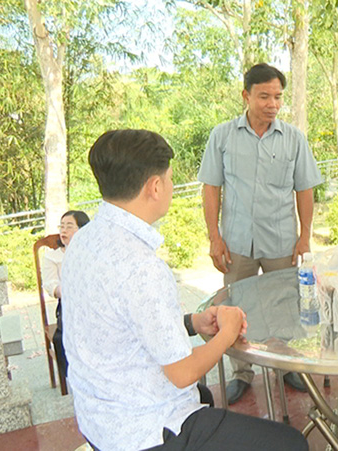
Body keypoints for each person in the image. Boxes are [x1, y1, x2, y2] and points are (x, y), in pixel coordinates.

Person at [61, 129, 308, 451]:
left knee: (206, 399)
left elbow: (118, 326)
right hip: (146, 429)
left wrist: (193, 322)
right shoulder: (142, 267)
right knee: (290, 444)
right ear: (155, 187)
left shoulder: (83, 241)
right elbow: (182, 374)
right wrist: (226, 332)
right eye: (170, 179)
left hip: (99, 419)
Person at [198, 63, 322, 403]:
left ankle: (286, 366)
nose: (272, 104)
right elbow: (211, 188)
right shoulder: (222, 136)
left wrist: (305, 236)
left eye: (278, 97)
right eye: (264, 96)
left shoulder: (294, 139)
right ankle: (241, 372)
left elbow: (305, 189)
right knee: (236, 306)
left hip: (281, 239)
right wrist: (214, 236)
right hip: (237, 242)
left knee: (285, 304)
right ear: (246, 96)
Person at [41, 209, 90, 378]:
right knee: (65, 338)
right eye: (62, 226)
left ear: (83, 230)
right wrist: (69, 291)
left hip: (94, 303)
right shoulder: (52, 256)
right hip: (69, 306)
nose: (63, 230)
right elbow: (50, 285)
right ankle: (76, 376)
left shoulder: (92, 252)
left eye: (69, 226)